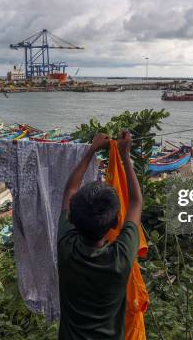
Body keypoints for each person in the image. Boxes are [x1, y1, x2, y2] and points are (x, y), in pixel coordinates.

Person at [57, 131, 143, 339]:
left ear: (74, 219)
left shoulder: (66, 246)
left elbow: (70, 190)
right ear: (115, 222)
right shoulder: (120, 258)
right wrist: (124, 155)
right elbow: (136, 202)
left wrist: (92, 149)